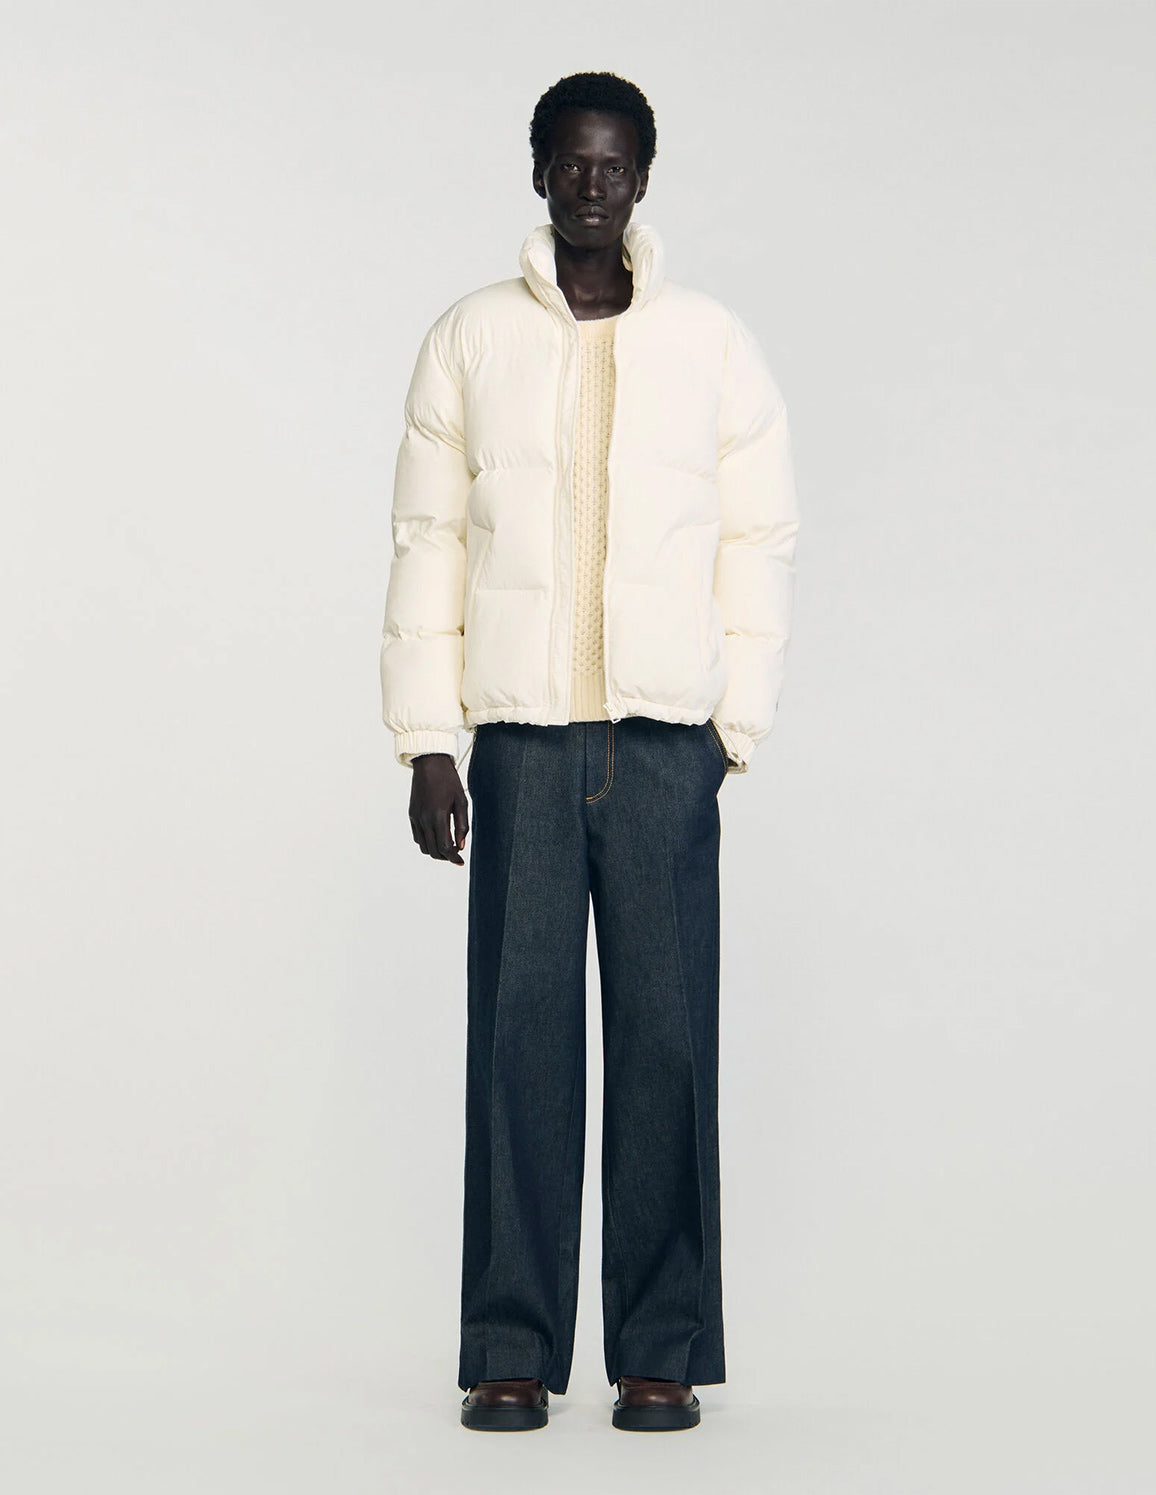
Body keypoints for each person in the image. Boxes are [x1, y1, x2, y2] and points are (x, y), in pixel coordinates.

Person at [379, 71, 800, 1433]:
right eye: (572, 162)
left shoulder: (712, 345)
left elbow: (760, 539)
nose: (593, 186)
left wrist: (734, 722)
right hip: (519, 749)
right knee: (519, 1046)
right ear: (540, 172)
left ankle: (659, 1350)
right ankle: (509, 1347)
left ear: (645, 177)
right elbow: (427, 543)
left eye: (615, 165)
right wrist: (427, 741)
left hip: (666, 747)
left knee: (668, 1047)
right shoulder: (469, 341)